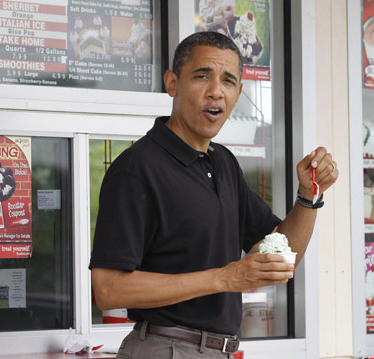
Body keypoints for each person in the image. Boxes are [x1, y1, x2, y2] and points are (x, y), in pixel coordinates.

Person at [90, 32, 339, 358]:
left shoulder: (223, 163)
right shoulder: (137, 168)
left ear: (238, 92)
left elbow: (278, 257)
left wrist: (308, 197)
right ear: (172, 83)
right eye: (202, 76)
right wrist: (223, 278)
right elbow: (108, 291)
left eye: (228, 81)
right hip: (166, 348)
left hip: (220, 350)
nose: (216, 92)